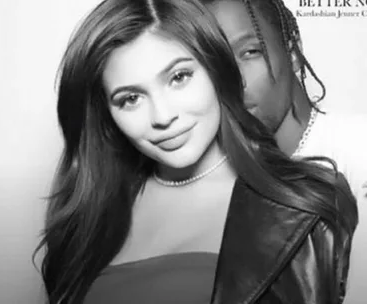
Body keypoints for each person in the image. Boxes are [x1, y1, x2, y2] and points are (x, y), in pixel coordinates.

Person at [34, 0, 358, 303]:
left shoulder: (309, 204)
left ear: (217, 71)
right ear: (106, 112)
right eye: (130, 98)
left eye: (179, 77)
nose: (163, 117)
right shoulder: (84, 217)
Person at [200, 0, 367, 302]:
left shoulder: (358, 145)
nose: (234, 80)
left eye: (250, 52)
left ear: (292, 52)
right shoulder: (214, 177)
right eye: (216, 62)